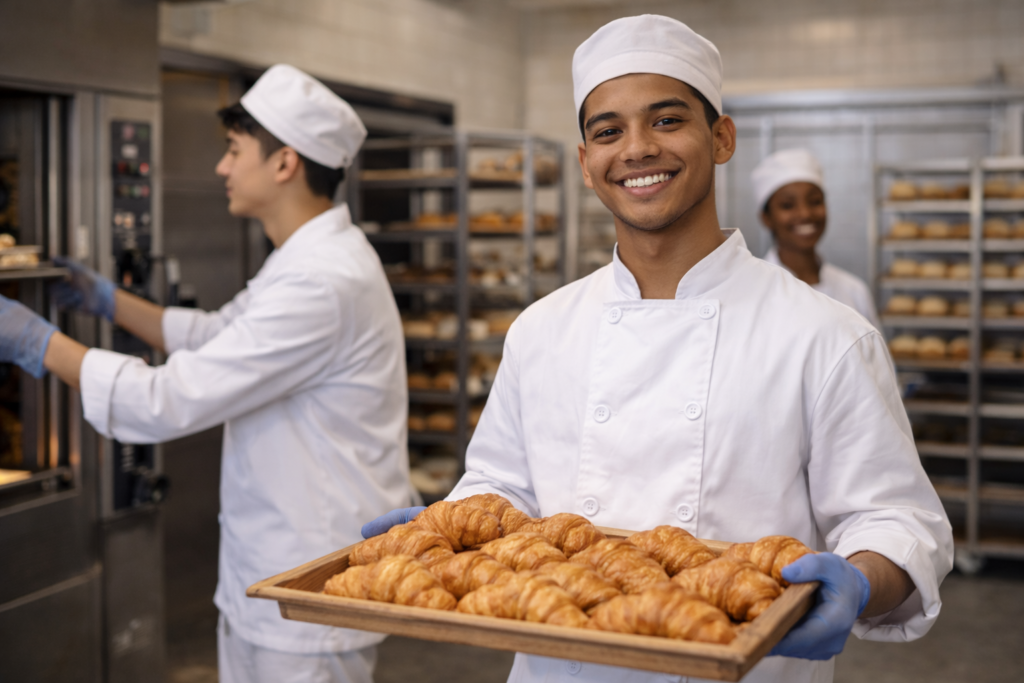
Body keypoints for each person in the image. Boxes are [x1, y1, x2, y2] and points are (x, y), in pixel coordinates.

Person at [363, 15, 952, 683]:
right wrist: (453, 522)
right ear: (586, 163)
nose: (637, 148)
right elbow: (502, 484)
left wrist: (860, 580)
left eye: (667, 120)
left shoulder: (825, 334)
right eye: (608, 131)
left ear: (721, 137)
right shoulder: (542, 328)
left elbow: (898, 519)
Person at [0, 64, 411, 683]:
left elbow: (170, 398)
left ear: (284, 164)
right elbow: (216, 335)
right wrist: (109, 301)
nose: (221, 168)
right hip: (277, 573)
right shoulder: (306, 262)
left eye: (232, 150)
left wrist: (36, 342)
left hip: (312, 591)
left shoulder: (322, 281)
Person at [753, 148, 880, 328]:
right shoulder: (754, 292)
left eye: (815, 201)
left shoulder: (854, 292)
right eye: (788, 205)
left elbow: (872, 355)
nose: (805, 214)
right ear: (766, 218)